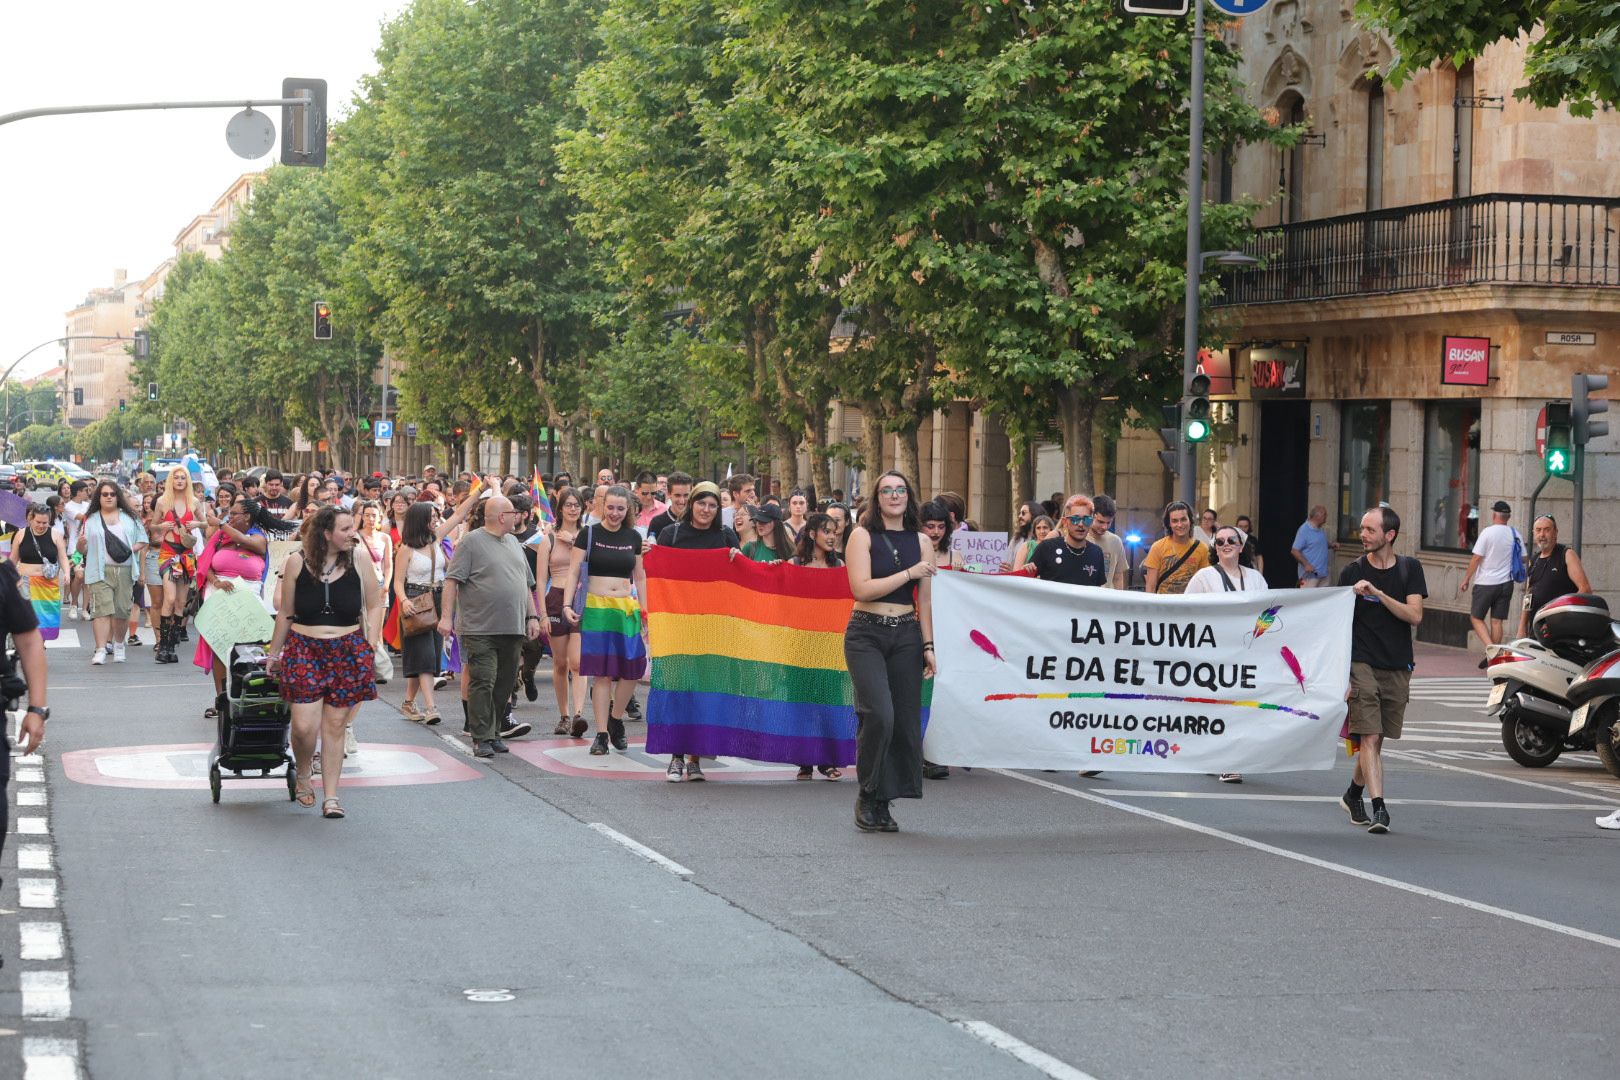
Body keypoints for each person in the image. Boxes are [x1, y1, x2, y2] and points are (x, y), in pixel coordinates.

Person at [266, 505, 385, 819]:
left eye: (352, 528)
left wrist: (370, 644)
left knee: (334, 726)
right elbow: (286, 613)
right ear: (326, 533)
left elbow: (375, 604)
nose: (352, 534)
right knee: (304, 727)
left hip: (347, 649)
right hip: (304, 649)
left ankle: (331, 796)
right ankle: (304, 772)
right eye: (345, 529)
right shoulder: (296, 562)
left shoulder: (359, 559)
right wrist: (274, 653)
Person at [844, 470, 935, 833]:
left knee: (902, 720)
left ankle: (883, 800)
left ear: (909, 496)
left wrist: (928, 646)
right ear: (877, 498)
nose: (894, 495)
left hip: (907, 634)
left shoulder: (922, 541)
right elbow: (862, 589)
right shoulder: (862, 535)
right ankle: (867, 794)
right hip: (866, 633)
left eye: (900, 490)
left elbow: (925, 602)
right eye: (887, 491)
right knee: (879, 713)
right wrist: (909, 573)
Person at [1337, 507, 1426, 836]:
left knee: (1378, 738)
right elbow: (1338, 625)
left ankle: (1352, 794)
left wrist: (1377, 593)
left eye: (1370, 530)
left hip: (1397, 664)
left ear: (1389, 535)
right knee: (1370, 736)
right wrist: (1342, 675)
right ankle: (1380, 809)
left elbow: (1415, 615)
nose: (1362, 535)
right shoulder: (1351, 572)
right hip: (1361, 663)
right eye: (1362, 528)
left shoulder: (1409, 569)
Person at [440, 494, 544, 758]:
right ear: (501, 517)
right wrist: (446, 617)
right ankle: (481, 737)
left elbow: (525, 584)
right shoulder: (471, 542)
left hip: (512, 627)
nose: (517, 516)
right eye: (512, 513)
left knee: (504, 683)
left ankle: (494, 732)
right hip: (479, 628)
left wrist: (532, 617)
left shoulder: (513, 542)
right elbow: (452, 581)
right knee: (483, 680)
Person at [655, 480, 739, 781]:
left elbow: (741, 575)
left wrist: (739, 560)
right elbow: (657, 575)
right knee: (680, 690)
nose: (706, 509)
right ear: (691, 504)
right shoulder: (671, 534)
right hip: (678, 624)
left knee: (705, 694)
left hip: (714, 627)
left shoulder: (726, 536)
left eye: (712, 505)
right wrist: (648, 554)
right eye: (701, 503)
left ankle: (695, 760)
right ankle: (676, 757)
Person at [560, 486, 649, 758]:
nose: (614, 513)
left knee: (632, 670)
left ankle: (616, 718)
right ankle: (601, 734)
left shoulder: (634, 537)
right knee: (602, 674)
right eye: (610, 507)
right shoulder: (589, 534)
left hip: (625, 609)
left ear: (628, 509)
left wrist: (645, 611)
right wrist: (566, 605)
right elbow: (573, 572)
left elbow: (640, 576)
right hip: (596, 608)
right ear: (602, 506)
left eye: (620, 509)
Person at [1186, 523, 1269, 785]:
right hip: (1213, 654)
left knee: (1239, 708)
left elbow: (1267, 611)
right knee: (1219, 706)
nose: (1226, 545)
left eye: (1231, 540)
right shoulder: (1204, 577)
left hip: (1245, 654)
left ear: (1241, 546)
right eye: (1220, 541)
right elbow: (1186, 612)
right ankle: (1224, 759)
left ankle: (1227, 758)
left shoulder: (1254, 578)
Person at [193, 498, 272, 719]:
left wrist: (220, 524)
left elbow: (245, 541)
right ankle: (223, 700)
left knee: (250, 650)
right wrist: (216, 582)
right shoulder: (220, 537)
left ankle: (250, 698)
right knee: (220, 648)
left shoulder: (258, 537)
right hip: (219, 596)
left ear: (247, 517)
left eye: (234, 514)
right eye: (229, 513)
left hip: (248, 599)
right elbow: (206, 564)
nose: (230, 517)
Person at [788, 511, 846, 782]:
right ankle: (804, 760)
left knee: (828, 702)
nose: (832, 537)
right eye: (826, 531)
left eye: (835, 532)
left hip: (830, 645)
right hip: (800, 644)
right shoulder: (794, 564)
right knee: (802, 703)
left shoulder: (840, 566)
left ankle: (826, 760)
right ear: (812, 534)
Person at [79, 480, 148, 666]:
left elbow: (143, 540)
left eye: (112, 494)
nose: (109, 497)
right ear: (99, 497)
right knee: (101, 611)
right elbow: (82, 549)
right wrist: (80, 544)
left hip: (125, 570)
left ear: (118, 497)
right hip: (99, 571)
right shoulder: (90, 519)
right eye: (105, 494)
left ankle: (119, 645)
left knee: (122, 611)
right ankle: (101, 649)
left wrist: (128, 549)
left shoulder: (130, 518)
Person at [539, 488, 590, 736]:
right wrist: (542, 614)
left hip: (580, 598)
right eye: (568, 505)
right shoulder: (548, 539)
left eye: (576, 505)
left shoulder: (588, 536)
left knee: (577, 663)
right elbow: (540, 581)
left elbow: (593, 565)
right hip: (556, 599)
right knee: (560, 663)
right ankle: (564, 716)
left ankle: (579, 714)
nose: (572, 509)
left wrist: (574, 543)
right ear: (560, 509)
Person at [393, 501, 449, 726]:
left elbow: (459, 515)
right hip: (416, 600)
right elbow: (398, 582)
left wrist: (482, 489)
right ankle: (431, 707)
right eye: (431, 516)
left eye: (436, 516)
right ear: (420, 520)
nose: (435, 520)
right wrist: (404, 600)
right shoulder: (406, 549)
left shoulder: (436, 539)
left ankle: (408, 702)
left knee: (428, 655)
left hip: (438, 598)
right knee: (425, 657)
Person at [1458, 500, 1523, 669]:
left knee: (1476, 618)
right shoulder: (1515, 534)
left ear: (1494, 515)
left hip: (1486, 583)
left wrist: (1466, 578)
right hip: (1506, 583)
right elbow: (1523, 557)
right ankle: (1493, 658)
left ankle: (1493, 651)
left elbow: (1476, 558)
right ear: (1508, 517)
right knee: (1497, 621)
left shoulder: (1487, 532)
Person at [153, 466, 202, 664]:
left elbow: (207, 523)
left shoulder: (194, 501)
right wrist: (161, 526)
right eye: (176, 478)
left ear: (187, 480)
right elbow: (152, 526)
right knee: (170, 598)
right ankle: (163, 645)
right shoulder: (162, 501)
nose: (180, 481)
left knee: (181, 602)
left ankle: (171, 647)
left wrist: (198, 524)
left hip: (187, 555)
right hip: (169, 553)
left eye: (183, 478)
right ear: (171, 480)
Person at [1517, 515, 1591, 639]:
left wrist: (1557, 620)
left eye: (1547, 530)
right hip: (1536, 630)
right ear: (1533, 533)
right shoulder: (1533, 561)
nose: (1542, 534)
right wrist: (1521, 627)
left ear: (1555, 532)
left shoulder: (1567, 554)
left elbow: (1585, 590)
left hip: (1561, 632)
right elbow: (1528, 596)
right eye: (1538, 530)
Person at [10, 505, 67, 648]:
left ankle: (38, 645)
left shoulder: (55, 535)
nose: (41, 526)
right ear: (31, 519)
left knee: (45, 619)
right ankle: (31, 646)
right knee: (26, 617)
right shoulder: (20, 534)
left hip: (47, 584)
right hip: (24, 583)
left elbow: (63, 557)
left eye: (44, 523)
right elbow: (13, 559)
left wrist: (67, 573)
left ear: (49, 521)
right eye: (38, 522)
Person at [1027, 494, 1106, 586]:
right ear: (1065, 522)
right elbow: (1025, 581)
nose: (1081, 524)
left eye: (1086, 519)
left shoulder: (1096, 552)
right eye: (1075, 519)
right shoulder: (1047, 547)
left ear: (1091, 522)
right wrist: (1026, 571)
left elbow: (1098, 590)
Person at [1143, 501, 1208, 595]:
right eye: (1175, 521)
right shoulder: (1157, 547)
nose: (1180, 525)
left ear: (1190, 520)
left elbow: (1204, 585)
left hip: (1190, 602)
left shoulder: (1202, 548)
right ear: (1169, 524)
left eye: (1183, 519)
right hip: (1163, 602)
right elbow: (1150, 586)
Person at [1290, 504, 1335, 587]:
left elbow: (1319, 543)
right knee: (1308, 596)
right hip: (1309, 577)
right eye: (1325, 514)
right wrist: (1306, 564)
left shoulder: (1320, 529)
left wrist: (1331, 545)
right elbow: (1294, 551)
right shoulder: (1304, 530)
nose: (1326, 516)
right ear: (1318, 516)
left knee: (1325, 596)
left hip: (1323, 575)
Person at [1089, 495, 1128, 590]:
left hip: (1107, 596)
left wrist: (1119, 597)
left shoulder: (1116, 541)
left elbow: (1118, 577)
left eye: (1108, 523)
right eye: (1100, 522)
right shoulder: (1079, 538)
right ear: (1090, 516)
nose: (1104, 527)